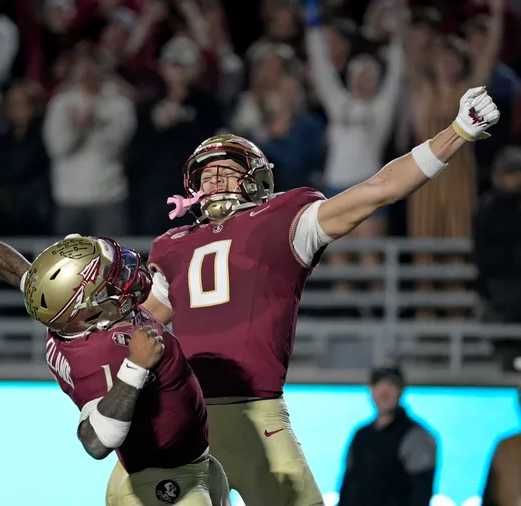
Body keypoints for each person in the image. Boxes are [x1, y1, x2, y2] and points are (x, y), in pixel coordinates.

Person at [139, 85, 500, 506]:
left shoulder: (286, 217)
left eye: (228, 168)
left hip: (257, 412)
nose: (215, 177)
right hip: (186, 413)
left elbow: (379, 189)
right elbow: (142, 328)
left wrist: (456, 131)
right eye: (206, 172)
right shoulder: (172, 245)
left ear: (256, 179)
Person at [0, 203, 230, 506]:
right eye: (109, 281)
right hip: (164, 484)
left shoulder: (66, 314)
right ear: (89, 312)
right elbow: (96, 440)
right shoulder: (103, 351)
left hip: (186, 466)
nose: (125, 275)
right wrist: (135, 368)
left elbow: (21, 274)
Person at [337, 366, 436, 506]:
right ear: (371, 390)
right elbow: (348, 486)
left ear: (401, 391)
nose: (384, 392)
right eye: (378, 386)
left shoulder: (415, 435)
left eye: (390, 385)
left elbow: (420, 492)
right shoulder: (361, 435)